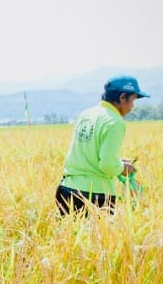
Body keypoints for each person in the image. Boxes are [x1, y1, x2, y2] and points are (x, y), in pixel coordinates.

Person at [55, 75, 149, 215]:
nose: (132, 106)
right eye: (133, 100)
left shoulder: (87, 114)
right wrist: (123, 168)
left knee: (71, 235)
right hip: (94, 196)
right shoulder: (114, 122)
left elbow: (89, 153)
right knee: (95, 237)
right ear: (123, 97)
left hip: (67, 190)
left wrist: (118, 162)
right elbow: (107, 165)